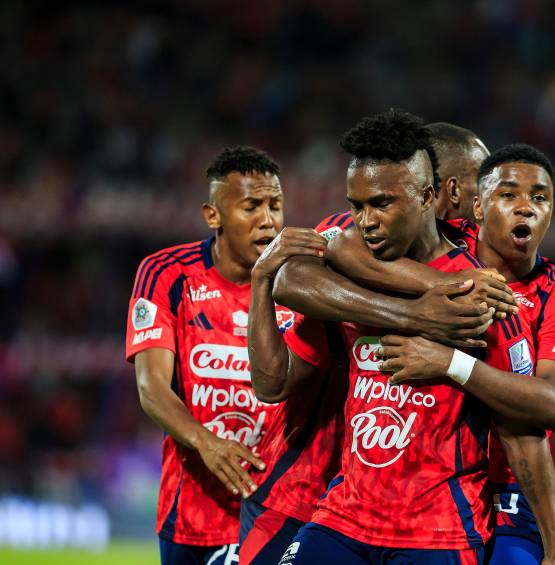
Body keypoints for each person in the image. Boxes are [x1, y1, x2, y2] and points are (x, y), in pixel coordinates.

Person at [251, 109, 494, 563]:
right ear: (443, 189)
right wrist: (416, 313)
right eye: (357, 206)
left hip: (436, 524)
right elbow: (294, 281)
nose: (365, 220)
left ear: (427, 195)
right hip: (322, 496)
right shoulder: (348, 258)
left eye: (378, 204)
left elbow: (541, 404)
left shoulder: (482, 277)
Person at [377, 143, 555, 564]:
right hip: (414, 478)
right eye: (509, 195)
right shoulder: (440, 245)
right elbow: (350, 246)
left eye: (540, 198)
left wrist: (452, 363)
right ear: (478, 207)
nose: (526, 208)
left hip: (504, 491)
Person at [125, 146, 305, 564]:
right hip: (193, 512)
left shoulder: (301, 282)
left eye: (275, 206)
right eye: (251, 206)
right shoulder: (167, 274)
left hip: (281, 509)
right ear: (213, 216)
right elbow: (151, 387)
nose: (268, 220)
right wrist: (207, 443)